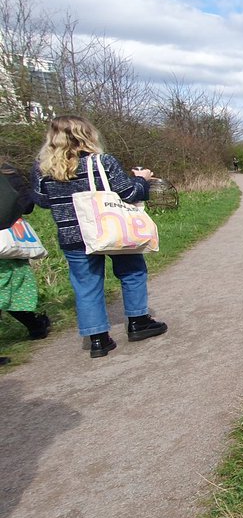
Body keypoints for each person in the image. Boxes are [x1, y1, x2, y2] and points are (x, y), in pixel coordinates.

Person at [32, 116, 167, 358]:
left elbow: (42, 201)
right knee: (132, 272)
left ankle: (98, 339)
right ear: (87, 135)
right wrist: (141, 178)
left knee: (86, 285)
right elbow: (131, 193)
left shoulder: (43, 168)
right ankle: (138, 322)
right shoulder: (101, 162)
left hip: (73, 235)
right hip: (111, 229)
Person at [0, 161, 52, 366]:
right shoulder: (7, 171)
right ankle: (36, 325)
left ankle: (36, 325)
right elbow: (28, 205)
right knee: (14, 288)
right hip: (7, 241)